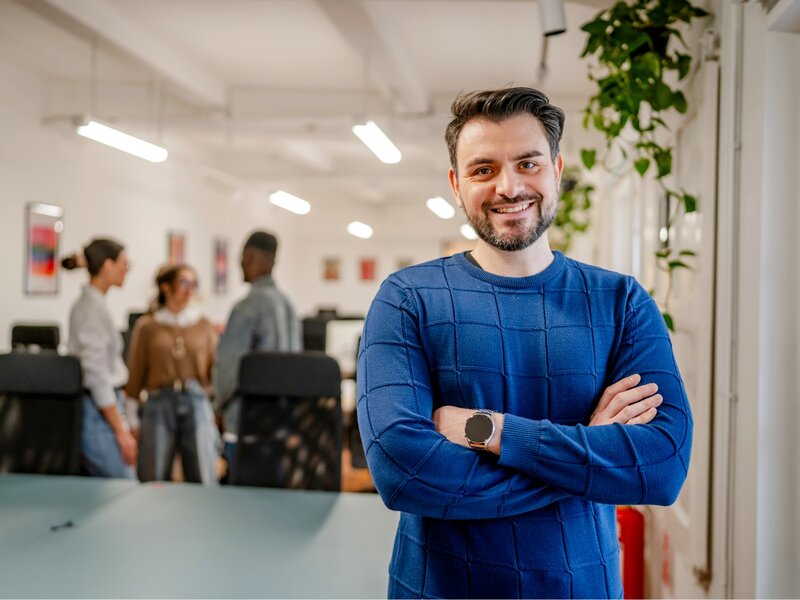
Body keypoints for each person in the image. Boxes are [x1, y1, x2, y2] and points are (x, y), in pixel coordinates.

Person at [356, 87, 693, 598]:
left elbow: (661, 465)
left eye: (527, 163)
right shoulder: (407, 299)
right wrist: (588, 452)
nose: (508, 186)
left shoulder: (620, 301)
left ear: (556, 169)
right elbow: (402, 470)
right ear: (456, 184)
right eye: (483, 169)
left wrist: (483, 428)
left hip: (581, 586)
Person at [125, 264, 220, 485]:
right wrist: (131, 419)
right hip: (159, 401)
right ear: (166, 287)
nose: (190, 290)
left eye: (194, 284)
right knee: (153, 474)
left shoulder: (204, 325)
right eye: (184, 283)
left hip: (195, 399)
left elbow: (215, 371)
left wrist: (217, 411)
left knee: (203, 473)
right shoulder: (148, 326)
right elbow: (136, 374)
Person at [213, 231, 302, 466]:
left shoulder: (247, 308)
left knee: (241, 499)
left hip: (247, 423)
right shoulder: (289, 305)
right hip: (282, 422)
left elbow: (228, 371)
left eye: (242, 257)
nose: (240, 263)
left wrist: (217, 407)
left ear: (251, 257)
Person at [64, 238, 137, 478]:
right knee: (122, 487)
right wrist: (121, 431)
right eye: (124, 263)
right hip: (98, 412)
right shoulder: (90, 310)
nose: (127, 269)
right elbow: (96, 375)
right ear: (108, 266)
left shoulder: (95, 305)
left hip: (105, 408)